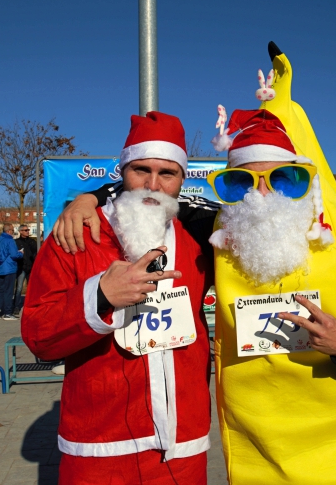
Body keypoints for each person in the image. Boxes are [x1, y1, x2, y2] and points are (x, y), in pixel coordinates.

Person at [50, 44, 336, 483]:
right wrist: (88, 198)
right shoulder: (225, 230)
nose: (261, 194)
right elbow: (153, 188)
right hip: (250, 449)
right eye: (242, 180)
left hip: (333, 449)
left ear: (306, 179)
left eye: (283, 178)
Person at [22, 111, 214, 484]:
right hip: (99, 448)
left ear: (182, 179)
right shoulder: (75, 236)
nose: (152, 185)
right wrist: (100, 296)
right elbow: (38, 336)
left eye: (167, 173)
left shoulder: (200, 241)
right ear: (121, 171)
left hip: (183, 447)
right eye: (140, 170)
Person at [0, 223, 23, 320]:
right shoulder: (10, 240)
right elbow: (14, 255)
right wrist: (21, 253)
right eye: (13, 230)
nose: (13, 232)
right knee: (9, 291)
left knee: (1, 290)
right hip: (9, 268)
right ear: (9, 231)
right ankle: (8, 313)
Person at [13, 224, 37, 316]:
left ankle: (31, 305)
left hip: (31, 267)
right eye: (25, 230)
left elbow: (36, 253)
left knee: (31, 288)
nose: (28, 231)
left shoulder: (32, 242)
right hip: (21, 267)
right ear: (20, 232)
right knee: (19, 288)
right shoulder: (16, 242)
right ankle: (16, 306)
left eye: (28, 230)